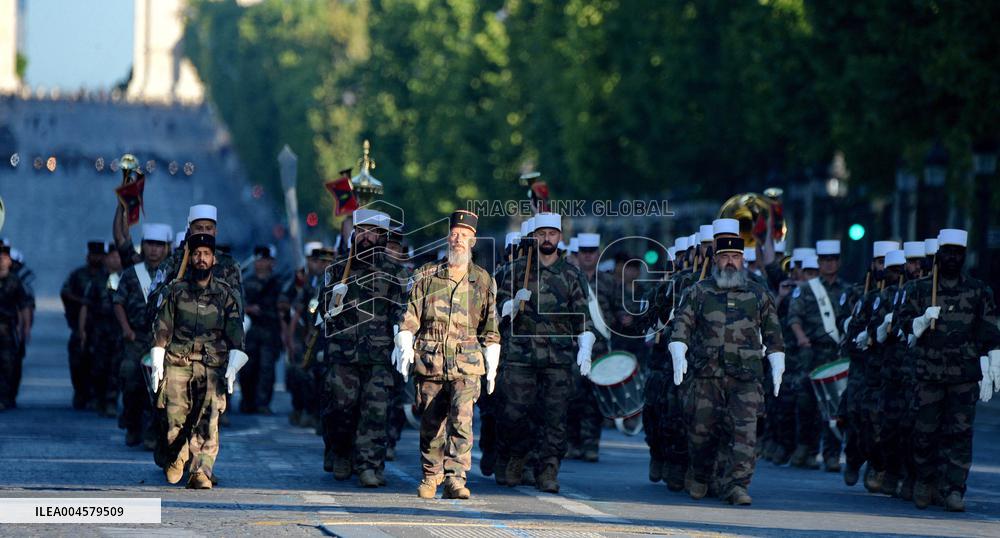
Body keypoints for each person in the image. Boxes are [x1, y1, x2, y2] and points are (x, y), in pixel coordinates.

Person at [668, 224, 784, 505]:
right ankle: (700, 473)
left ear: (743, 259)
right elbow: (681, 326)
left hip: (746, 379)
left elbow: (773, 334)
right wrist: (679, 352)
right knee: (701, 433)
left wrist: (777, 362)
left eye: (736, 256)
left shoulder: (758, 294)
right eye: (725, 256)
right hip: (707, 376)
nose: (730, 261)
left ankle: (737, 485)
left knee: (745, 433)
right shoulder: (699, 292)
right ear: (716, 259)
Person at [394, 210, 501, 499]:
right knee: (431, 423)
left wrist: (491, 362)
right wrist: (404, 341)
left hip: (467, 365)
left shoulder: (482, 280)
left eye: (464, 236)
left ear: (473, 241)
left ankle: (456, 477)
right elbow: (410, 316)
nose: (458, 239)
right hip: (430, 362)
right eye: (454, 234)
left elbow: (490, 327)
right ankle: (431, 475)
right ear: (448, 237)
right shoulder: (426, 275)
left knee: (462, 420)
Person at [896, 229, 1000, 511]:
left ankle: (954, 488)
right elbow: (901, 325)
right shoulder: (919, 290)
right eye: (948, 252)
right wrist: (919, 321)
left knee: (960, 433)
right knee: (924, 432)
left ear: (964, 256)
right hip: (928, 372)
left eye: (958, 253)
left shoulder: (978, 291)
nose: (952, 258)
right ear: (939, 255)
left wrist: (993, 363)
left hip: (963, 375)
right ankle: (925, 480)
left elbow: (990, 331)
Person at [494, 212, 597, 494]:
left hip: (558, 359)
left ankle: (548, 469)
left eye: (552, 234)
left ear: (560, 238)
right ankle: (517, 456)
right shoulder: (516, 270)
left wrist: (585, 346)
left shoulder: (571, 274)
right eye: (541, 234)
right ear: (534, 238)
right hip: (520, 357)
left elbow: (583, 316)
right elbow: (495, 311)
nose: (547, 239)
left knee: (554, 417)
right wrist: (512, 304)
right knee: (515, 414)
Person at [150, 233, 247, 489]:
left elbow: (235, 330)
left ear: (214, 259)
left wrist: (235, 362)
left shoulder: (225, 295)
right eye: (196, 254)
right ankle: (177, 455)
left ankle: (201, 471)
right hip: (178, 363)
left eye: (206, 254)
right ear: (189, 258)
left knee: (209, 418)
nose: (201, 259)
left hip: (212, 365)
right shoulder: (175, 291)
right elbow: (162, 326)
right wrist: (158, 357)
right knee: (173, 418)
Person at [320, 209, 408, 487]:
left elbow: (402, 309)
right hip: (343, 354)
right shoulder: (337, 270)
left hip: (379, 356)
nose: (367, 237)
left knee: (376, 411)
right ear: (354, 235)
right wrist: (332, 301)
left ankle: (370, 465)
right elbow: (321, 312)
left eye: (373, 232)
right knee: (341, 408)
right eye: (362, 231)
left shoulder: (395, 272)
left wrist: (401, 337)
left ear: (382, 236)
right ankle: (341, 452)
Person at [787, 240, 857, 471]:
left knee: (835, 407)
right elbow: (794, 318)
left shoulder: (848, 291)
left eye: (833, 260)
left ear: (838, 261)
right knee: (806, 404)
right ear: (818, 262)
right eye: (825, 260)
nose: (829, 264)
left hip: (836, 355)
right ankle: (805, 447)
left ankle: (831, 455)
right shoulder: (807, 289)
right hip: (811, 353)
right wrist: (800, 337)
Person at [114, 223, 172, 447]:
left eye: (159, 245)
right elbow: (118, 302)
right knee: (130, 376)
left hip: (163, 341)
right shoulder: (131, 274)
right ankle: (131, 424)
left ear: (167, 247)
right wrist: (126, 329)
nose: (154, 250)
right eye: (150, 244)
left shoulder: (173, 273)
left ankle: (153, 431)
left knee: (161, 385)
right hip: (136, 338)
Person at [566, 232, 616, 463]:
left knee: (595, 399)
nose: (587, 256)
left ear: (597, 254)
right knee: (573, 397)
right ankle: (574, 441)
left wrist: (624, 319)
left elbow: (618, 311)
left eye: (591, 252)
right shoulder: (569, 278)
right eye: (582, 252)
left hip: (600, 350)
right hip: (573, 348)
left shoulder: (608, 282)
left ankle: (591, 444)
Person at [61, 241, 108, 409]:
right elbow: (65, 292)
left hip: (102, 328)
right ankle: (80, 392)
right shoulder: (78, 275)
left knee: (99, 362)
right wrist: (81, 302)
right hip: (81, 325)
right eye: (93, 255)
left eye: (99, 255)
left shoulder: (109, 276)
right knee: (77, 360)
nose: (96, 258)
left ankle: (96, 395)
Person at [240, 245, 283, 415]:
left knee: (266, 368)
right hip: (250, 331)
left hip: (270, 331)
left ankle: (262, 402)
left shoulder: (278, 283)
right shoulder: (246, 281)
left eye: (265, 259)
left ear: (272, 262)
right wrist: (249, 309)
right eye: (259, 259)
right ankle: (247, 400)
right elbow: (237, 302)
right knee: (247, 367)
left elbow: (284, 306)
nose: (261, 263)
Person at [0, 244, 29, 411]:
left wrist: (25, 328)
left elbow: (24, 305)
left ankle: (5, 398)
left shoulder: (15, 281)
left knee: (7, 365)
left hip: (7, 330)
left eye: (4, 258)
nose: (1, 261)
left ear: (9, 261)